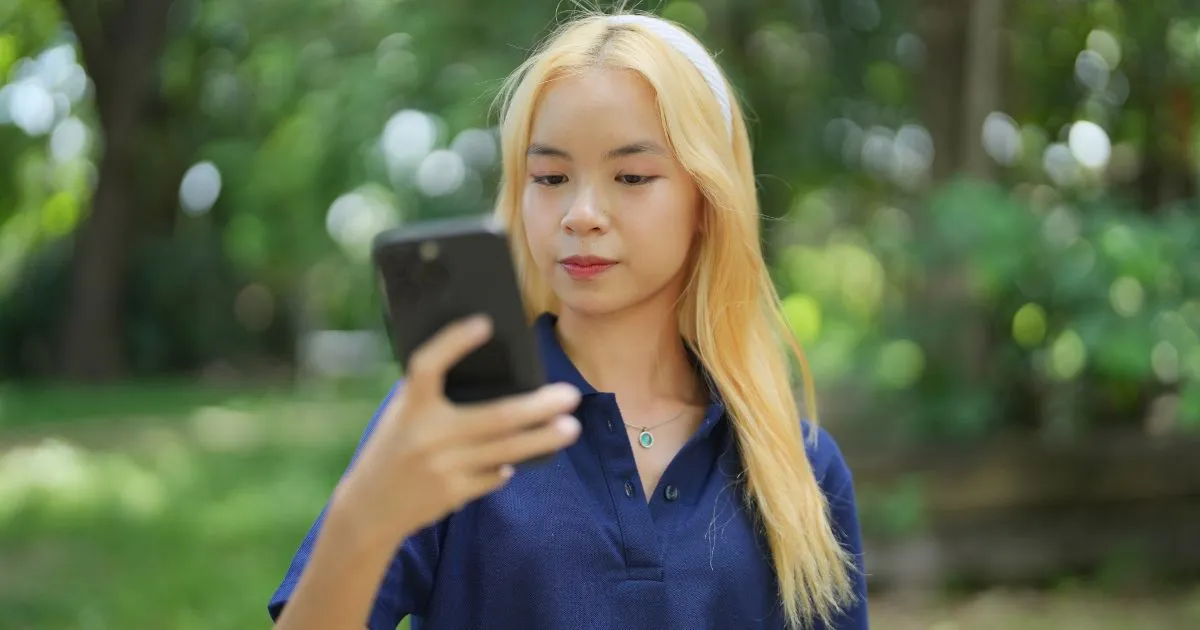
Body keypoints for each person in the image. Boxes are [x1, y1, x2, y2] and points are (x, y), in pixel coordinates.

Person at [269, 10, 868, 630]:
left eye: (632, 176)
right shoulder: (453, 423)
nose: (581, 213)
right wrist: (366, 512)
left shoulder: (799, 467)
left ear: (707, 202)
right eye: (550, 177)